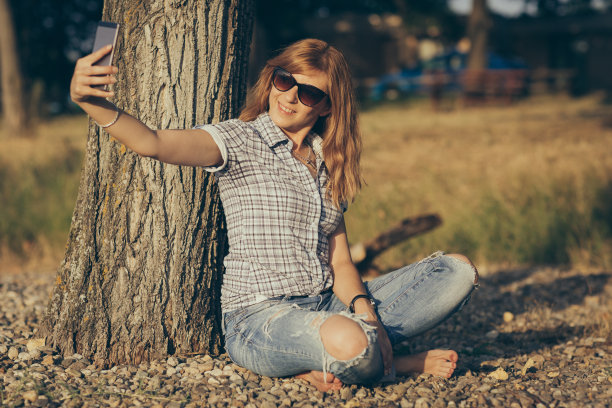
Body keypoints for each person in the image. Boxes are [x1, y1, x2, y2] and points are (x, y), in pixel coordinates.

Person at [70, 38, 479, 391]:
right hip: (258, 317)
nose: (289, 96)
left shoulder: (327, 164)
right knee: (351, 341)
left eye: (309, 93)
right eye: (285, 81)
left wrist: (363, 307)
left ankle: (352, 353)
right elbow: (152, 142)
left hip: (326, 305)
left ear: (327, 107)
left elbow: (339, 261)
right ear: (273, 80)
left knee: (455, 271)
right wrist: (92, 102)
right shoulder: (238, 139)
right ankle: (389, 363)